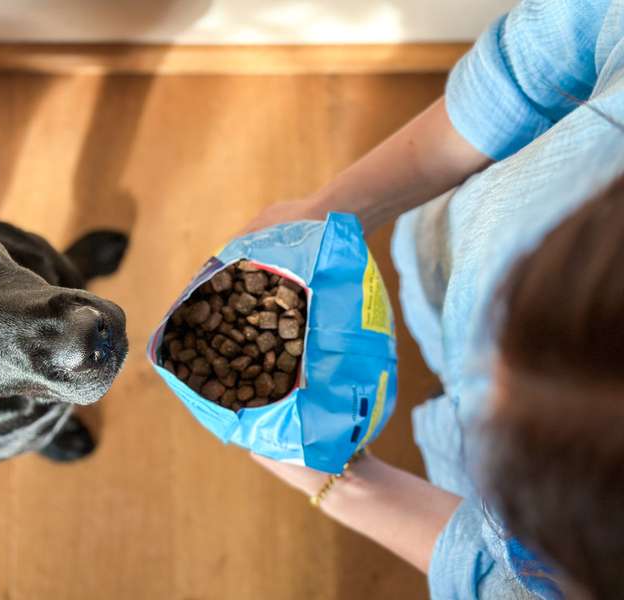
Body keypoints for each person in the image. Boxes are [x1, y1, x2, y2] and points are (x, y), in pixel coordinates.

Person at [246, 1, 624, 598]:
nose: (483, 379)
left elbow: (499, 584)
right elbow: (533, 62)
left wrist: (349, 486)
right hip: (438, 252)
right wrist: (328, 208)